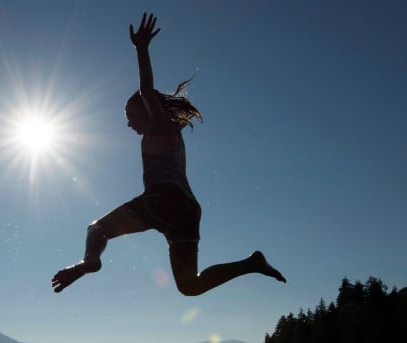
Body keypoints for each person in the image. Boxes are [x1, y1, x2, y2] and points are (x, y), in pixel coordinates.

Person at [52, 12, 285, 296]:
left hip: (163, 200)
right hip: (187, 210)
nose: (128, 123)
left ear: (146, 110)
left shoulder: (160, 125)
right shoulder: (171, 134)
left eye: (129, 115)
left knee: (97, 228)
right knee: (190, 285)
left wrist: (141, 49)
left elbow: (146, 88)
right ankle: (251, 264)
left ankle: (90, 261)